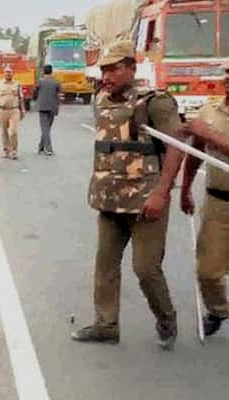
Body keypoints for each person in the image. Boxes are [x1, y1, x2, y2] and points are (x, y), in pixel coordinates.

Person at [71, 40, 185, 350]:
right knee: (105, 264)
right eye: (104, 70)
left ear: (132, 68)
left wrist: (162, 192)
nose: (107, 76)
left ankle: (166, 318)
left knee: (145, 268)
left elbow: (177, 147)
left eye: (114, 69)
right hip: (109, 200)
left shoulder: (155, 102)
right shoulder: (102, 100)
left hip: (146, 200)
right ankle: (106, 325)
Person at [179, 60, 229, 336]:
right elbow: (196, 153)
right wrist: (185, 189)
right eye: (227, 75)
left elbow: (205, 136)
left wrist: (208, 134)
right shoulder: (211, 111)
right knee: (208, 272)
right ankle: (220, 310)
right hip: (218, 203)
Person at [0, 66, 25, 160]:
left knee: (13, 132)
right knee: (4, 131)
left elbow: (21, 98)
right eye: (6, 72)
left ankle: (14, 151)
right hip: (2, 110)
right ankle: (6, 150)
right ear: (4, 73)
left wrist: (23, 110)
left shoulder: (17, 84)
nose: (8, 74)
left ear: (12, 73)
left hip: (14, 110)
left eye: (10, 72)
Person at [33, 64, 61, 156]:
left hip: (42, 107)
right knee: (47, 128)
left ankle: (48, 148)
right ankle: (41, 147)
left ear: (43, 72)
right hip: (53, 107)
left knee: (45, 128)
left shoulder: (40, 82)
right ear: (51, 71)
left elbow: (35, 93)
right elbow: (59, 94)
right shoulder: (56, 82)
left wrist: (35, 99)